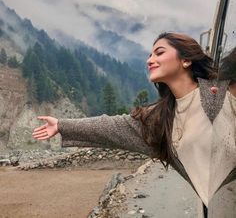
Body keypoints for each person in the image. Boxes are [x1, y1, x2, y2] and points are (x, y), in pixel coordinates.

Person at [32, 32, 236, 218]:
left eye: (159, 52)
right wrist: (62, 125)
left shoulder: (219, 95)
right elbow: (111, 127)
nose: (150, 60)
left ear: (185, 60)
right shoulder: (160, 119)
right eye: (149, 55)